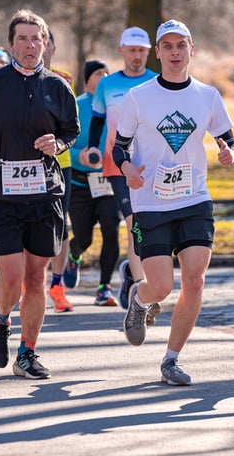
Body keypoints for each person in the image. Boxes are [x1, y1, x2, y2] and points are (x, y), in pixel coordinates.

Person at [0, 9, 79, 380]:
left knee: (36, 276)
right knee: (12, 276)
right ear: (11, 44)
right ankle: (1, 318)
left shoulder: (58, 86)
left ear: (46, 44)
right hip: (1, 192)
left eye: (36, 38)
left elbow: (72, 130)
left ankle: (27, 352)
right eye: (22, 39)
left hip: (44, 192)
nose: (30, 45)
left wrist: (57, 143)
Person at [116, 20, 234, 386]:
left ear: (191, 50)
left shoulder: (207, 95)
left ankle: (171, 359)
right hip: (151, 203)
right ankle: (139, 301)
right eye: (167, 46)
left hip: (194, 198)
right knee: (161, 287)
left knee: (195, 281)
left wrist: (230, 153)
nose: (174, 52)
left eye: (180, 46)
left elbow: (228, 139)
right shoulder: (138, 97)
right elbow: (120, 146)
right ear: (158, 52)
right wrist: (126, 168)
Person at [82, 27, 157, 314]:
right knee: (133, 222)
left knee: (148, 225)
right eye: (132, 50)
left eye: (142, 51)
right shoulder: (107, 85)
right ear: (121, 51)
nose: (137, 56)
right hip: (117, 165)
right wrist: (92, 148)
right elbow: (98, 121)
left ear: (149, 52)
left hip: (152, 165)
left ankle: (130, 272)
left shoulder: (157, 82)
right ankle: (141, 286)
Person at [68, 59, 121, 306]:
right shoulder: (75, 105)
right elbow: (61, 143)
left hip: (108, 181)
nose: (105, 76)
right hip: (79, 183)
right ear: (88, 78)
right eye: (99, 73)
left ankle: (104, 287)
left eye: (107, 73)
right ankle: (74, 252)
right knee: (85, 237)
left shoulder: (116, 105)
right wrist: (78, 155)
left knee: (111, 229)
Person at [43, 29, 75, 313]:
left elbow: (71, 125)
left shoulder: (63, 80)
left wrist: (59, 143)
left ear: (52, 47)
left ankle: (57, 283)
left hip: (60, 165)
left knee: (60, 225)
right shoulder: (10, 81)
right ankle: (30, 284)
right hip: (25, 166)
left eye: (45, 43)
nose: (39, 48)